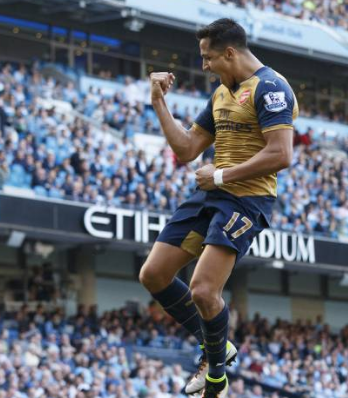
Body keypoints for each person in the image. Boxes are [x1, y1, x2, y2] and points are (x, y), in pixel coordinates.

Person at [139, 18, 298, 398]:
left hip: (246, 199)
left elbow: (282, 154)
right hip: (213, 192)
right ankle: (217, 348)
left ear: (229, 52)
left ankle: (216, 378)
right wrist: (159, 104)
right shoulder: (223, 93)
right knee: (153, 274)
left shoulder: (271, 88)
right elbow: (187, 150)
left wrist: (223, 176)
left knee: (203, 291)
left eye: (208, 57)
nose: (205, 65)